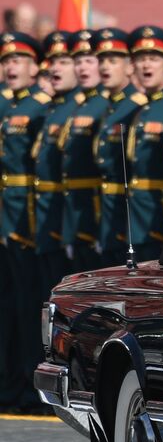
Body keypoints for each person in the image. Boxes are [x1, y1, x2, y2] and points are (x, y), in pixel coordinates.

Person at [0, 31, 50, 410]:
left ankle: (29, 385)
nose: (11, 67)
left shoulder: (41, 107)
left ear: (35, 68)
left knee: (27, 304)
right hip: (5, 215)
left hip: (25, 218)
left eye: (18, 61)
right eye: (6, 61)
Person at [124, 27, 163, 260]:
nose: (146, 65)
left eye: (153, 59)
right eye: (141, 59)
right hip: (138, 214)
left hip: (162, 212)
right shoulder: (142, 109)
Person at [94, 28, 146, 265]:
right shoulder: (110, 106)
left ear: (129, 67)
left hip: (127, 206)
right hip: (107, 205)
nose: (105, 67)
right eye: (102, 60)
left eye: (113, 61)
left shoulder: (136, 105)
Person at [32, 32, 79, 287]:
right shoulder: (53, 108)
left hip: (69, 215)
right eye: (53, 61)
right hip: (46, 215)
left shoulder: (77, 108)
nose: (55, 68)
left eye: (64, 61)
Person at [60, 30, 108, 273]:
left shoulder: (108, 105)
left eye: (89, 60)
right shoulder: (81, 104)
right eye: (77, 61)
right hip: (76, 208)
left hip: (97, 207)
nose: (82, 67)